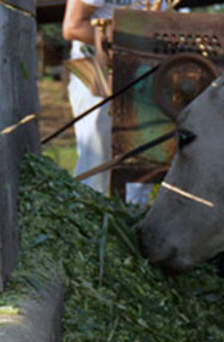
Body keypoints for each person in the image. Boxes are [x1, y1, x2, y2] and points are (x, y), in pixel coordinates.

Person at [62, 0, 154, 204]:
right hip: (98, 72)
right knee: (97, 159)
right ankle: (90, 222)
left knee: (143, 159)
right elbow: (73, 26)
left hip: (140, 73)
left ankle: (133, 221)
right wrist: (130, 42)